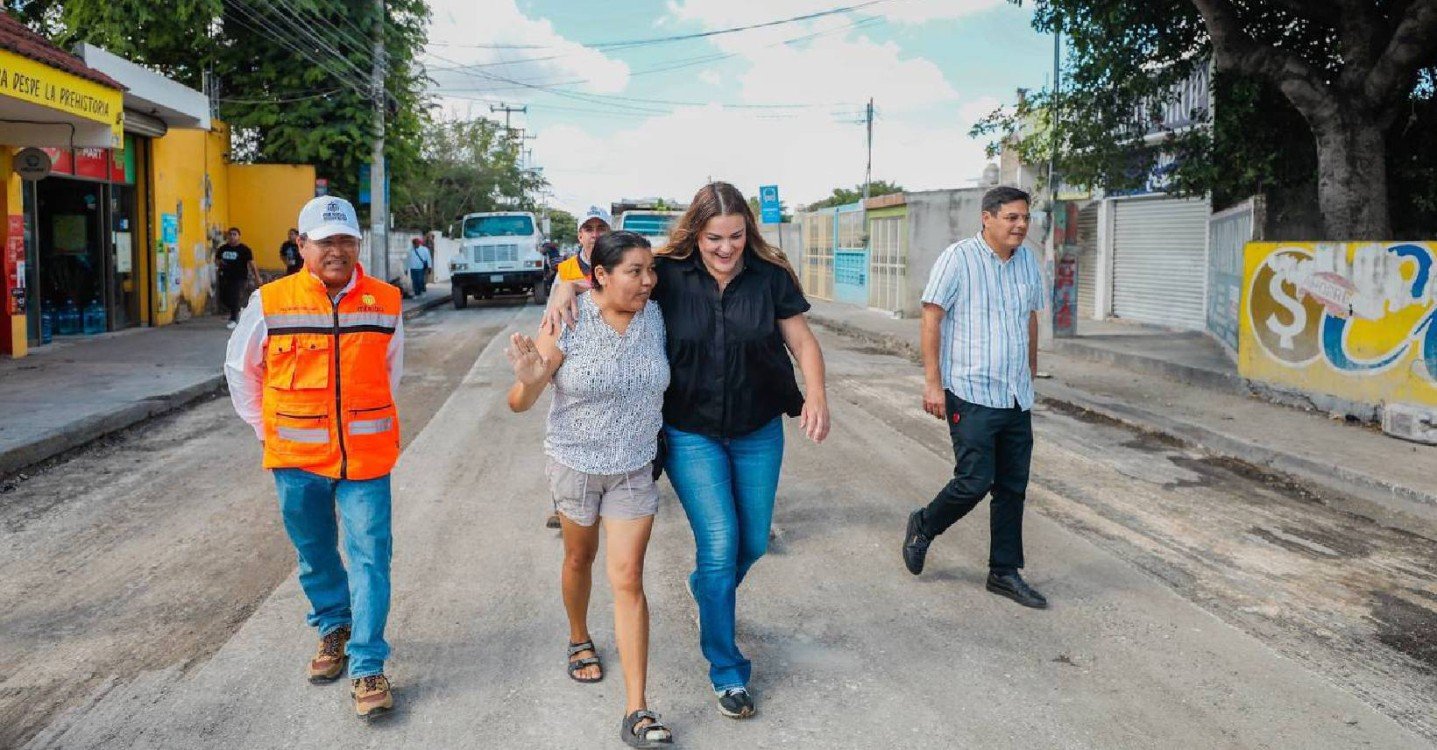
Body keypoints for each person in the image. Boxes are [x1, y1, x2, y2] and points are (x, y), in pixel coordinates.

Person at [547, 181, 829, 720]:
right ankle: (726, 670)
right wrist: (569, 290)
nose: (726, 249)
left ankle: (706, 589)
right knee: (720, 544)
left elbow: (802, 342)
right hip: (691, 431)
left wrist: (816, 395)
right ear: (695, 234)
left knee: (752, 544)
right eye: (714, 238)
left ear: (749, 232)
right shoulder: (670, 274)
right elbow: (614, 283)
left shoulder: (771, 278)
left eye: (737, 237)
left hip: (757, 428)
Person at [224, 196, 405, 720]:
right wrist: (265, 429)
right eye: (325, 241)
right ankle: (334, 626)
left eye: (346, 240)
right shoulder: (271, 301)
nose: (337, 250)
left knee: (371, 556)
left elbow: (391, 375)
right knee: (314, 552)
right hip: (295, 457)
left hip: (365, 457)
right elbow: (241, 369)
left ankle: (367, 662)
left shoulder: (386, 301)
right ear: (301, 245)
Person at [508, 230, 675, 748]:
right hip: (575, 465)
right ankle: (579, 636)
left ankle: (637, 710)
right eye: (634, 272)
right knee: (579, 560)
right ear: (600, 275)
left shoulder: (655, 314)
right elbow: (519, 403)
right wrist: (532, 378)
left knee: (628, 579)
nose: (647, 280)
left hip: (632, 470)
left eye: (650, 270)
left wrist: (570, 285)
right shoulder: (568, 323)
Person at [900, 185, 1049, 609]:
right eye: (1012, 218)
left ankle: (1004, 571)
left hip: (1015, 395)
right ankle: (924, 525)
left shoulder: (1027, 263)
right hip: (971, 390)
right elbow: (932, 317)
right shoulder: (958, 259)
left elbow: (1030, 318)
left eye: (1025, 218)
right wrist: (933, 383)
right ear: (988, 217)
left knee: (1012, 487)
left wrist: (1030, 371)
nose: (1021, 225)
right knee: (974, 481)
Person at [541, 204, 613, 530]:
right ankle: (563, 506)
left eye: (602, 228)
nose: (595, 235)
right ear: (580, 234)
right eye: (590, 228)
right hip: (574, 357)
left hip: (612, 354)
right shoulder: (567, 269)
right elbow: (554, 314)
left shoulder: (620, 262)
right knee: (567, 435)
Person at [216, 227, 261, 329]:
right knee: (224, 298)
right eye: (230, 234)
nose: (232, 237)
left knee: (235, 297)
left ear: (238, 236)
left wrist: (257, 276)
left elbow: (252, 263)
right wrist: (220, 264)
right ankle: (238, 310)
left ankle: (233, 319)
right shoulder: (222, 249)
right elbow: (217, 260)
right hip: (225, 277)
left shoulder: (244, 250)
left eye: (234, 234)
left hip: (239, 278)